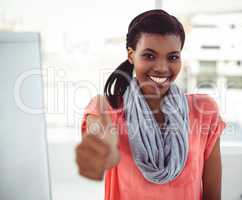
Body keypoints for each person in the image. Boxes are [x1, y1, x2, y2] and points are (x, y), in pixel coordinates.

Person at [75, 9, 226, 200]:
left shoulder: (204, 111)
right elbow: (97, 150)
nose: (162, 68)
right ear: (131, 55)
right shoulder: (106, 108)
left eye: (172, 57)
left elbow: (213, 196)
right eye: (149, 56)